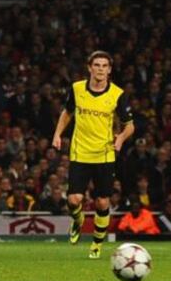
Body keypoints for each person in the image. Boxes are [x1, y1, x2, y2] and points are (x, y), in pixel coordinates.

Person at [52, 50, 135, 258]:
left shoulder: (117, 94)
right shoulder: (77, 88)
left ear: (109, 70)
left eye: (104, 66)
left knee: (102, 202)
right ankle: (78, 220)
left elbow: (130, 126)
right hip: (80, 152)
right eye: (96, 65)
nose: (100, 69)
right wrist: (57, 134)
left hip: (104, 154)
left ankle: (97, 243)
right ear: (89, 68)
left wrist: (121, 138)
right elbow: (67, 112)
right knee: (73, 200)